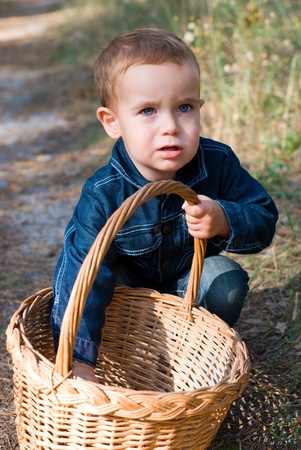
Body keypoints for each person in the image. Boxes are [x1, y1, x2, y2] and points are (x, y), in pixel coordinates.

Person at [51, 27, 278, 384]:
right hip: (126, 295)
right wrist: (79, 363)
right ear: (113, 122)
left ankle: (191, 353)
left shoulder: (217, 162)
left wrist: (223, 218)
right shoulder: (104, 193)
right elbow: (84, 276)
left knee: (226, 282)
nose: (170, 126)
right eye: (148, 111)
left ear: (200, 107)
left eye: (184, 107)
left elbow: (263, 216)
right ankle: (123, 356)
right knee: (96, 284)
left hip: (186, 286)